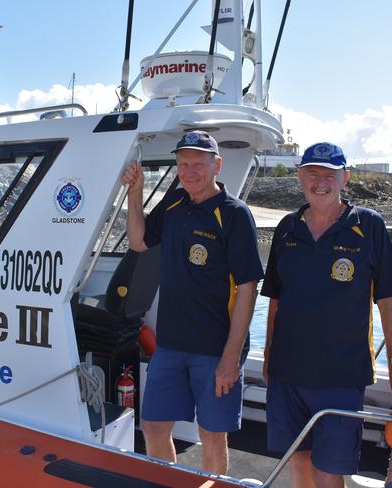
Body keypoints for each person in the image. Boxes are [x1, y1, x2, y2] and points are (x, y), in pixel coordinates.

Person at [261, 142, 392, 488]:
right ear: (300, 177)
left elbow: (388, 305)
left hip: (341, 377)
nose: (320, 181)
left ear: (345, 178)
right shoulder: (286, 228)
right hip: (288, 373)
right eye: (312, 173)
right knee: (297, 459)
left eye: (330, 174)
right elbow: (276, 300)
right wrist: (267, 356)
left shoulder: (368, 226)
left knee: (328, 471)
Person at [122, 130, 263, 474]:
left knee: (211, 435)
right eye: (183, 163)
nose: (189, 171)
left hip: (215, 350)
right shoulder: (173, 204)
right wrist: (135, 193)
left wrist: (231, 357)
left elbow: (248, 288)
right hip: (170, 346)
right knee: (154, 427)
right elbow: (139, 241)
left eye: (198, 163)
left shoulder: (234, 214)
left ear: (217, 165)